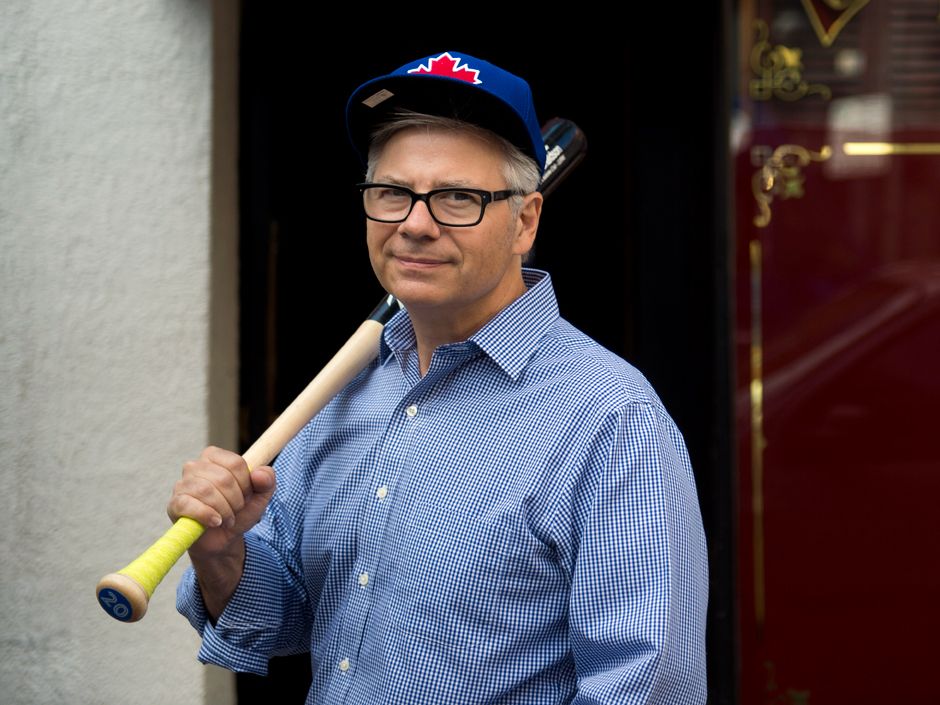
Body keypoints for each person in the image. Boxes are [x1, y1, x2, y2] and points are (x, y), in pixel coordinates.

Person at [171, 50, 709, 703]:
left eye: (458, 197)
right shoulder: (349, 391)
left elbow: (648, 687)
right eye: (393, 193)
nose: (415, 225)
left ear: (526, 220)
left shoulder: (611, 417)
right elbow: (283, 617)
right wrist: (223, 549)